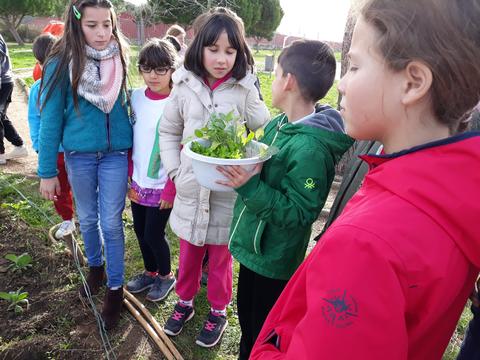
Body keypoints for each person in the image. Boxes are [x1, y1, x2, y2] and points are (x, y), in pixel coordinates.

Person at [250, 0, 480, 358]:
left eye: (354, 66)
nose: (341, 84)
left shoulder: (366, 244)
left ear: (413, 83)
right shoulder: (453, 192)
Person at [217, 39, 354, 359]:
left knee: (262, 331)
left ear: (288, 81)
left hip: (274, 260)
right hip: (254, 248)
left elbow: (299, 213)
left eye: (276, 73)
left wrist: (250, 188)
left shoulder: (311, 149)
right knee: (248, 324)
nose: (274, 81)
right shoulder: (278, 124)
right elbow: (255, 158)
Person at [159, 11, 270, 347]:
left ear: (240, 53)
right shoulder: (183, 85)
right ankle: (185, 303)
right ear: (199, 49)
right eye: (213, 49)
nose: (222, 59)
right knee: (189, 253)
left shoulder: (243, 87)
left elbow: (261, 125)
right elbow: (169, 130)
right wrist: (176, 171)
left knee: (222, 259)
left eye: (230, 51)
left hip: (227, 192)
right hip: (191, 189)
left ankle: (219, 310)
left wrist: (253, 89)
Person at [38, 0, 132, 330]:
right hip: (78, 156)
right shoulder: (60, 61)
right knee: (88, 218)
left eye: (107, 24)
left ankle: (116, 290)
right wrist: (48, 171)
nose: (102, 32)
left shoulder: (122, 55)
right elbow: (49, 119)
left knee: (111, 221)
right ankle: (96, 268)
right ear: (76, 23)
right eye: (92, 25)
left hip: (115, 155)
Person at [125, 38, 178, 303]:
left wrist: (171, 186)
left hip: (163, 183)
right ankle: (150, 271)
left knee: (153, 234)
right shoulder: (135, 97)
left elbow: (180, 148)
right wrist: (129, 174)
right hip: (138, 181)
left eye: (160, 70)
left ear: (172, 69)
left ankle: (166, 276)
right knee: (138, 229)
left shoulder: (177, 102)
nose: (153, 76)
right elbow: (132, 137)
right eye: (146, 69)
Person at [28, 33, 76, 239]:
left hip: (68, 149)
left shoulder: (69, 84)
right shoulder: (38, 89)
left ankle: (69, 218)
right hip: (63, 150)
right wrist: (41, 146)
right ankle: (69, 219)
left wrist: (38, 145)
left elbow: (34, 120)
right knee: (62, 186)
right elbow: (37, 119)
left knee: (63, 188)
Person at [0, 33, 28, 165]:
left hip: (3, 83)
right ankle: (19, 146)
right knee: (1, 116)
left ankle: (0, 154)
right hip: (4, 82)